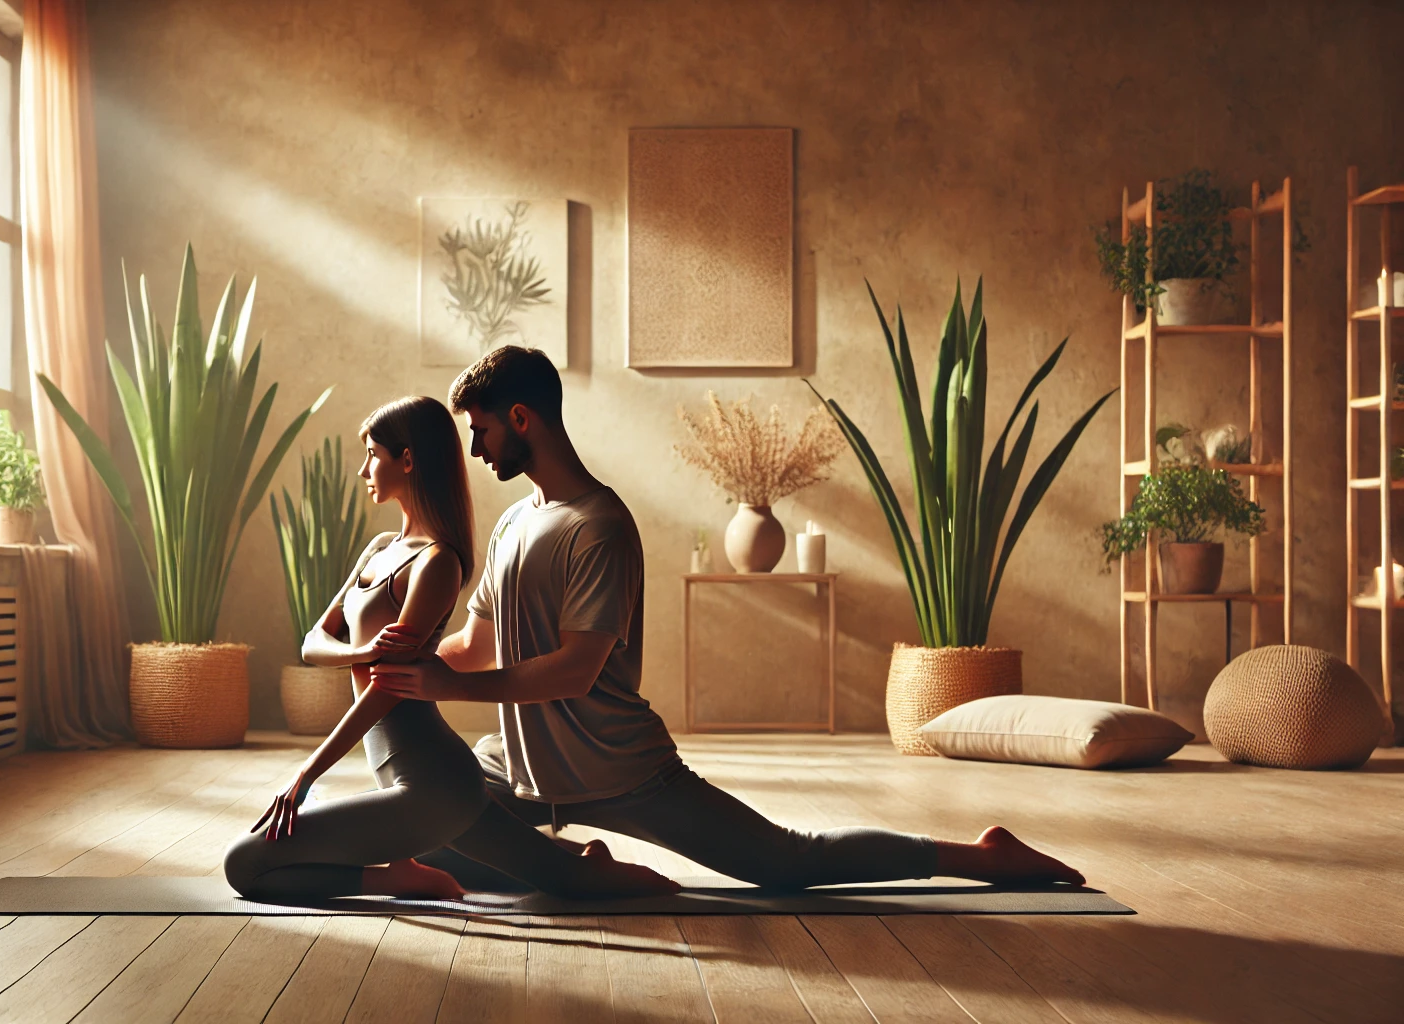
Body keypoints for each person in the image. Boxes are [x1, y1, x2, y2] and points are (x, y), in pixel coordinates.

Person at [371, 347, 1086, 891]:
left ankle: (980, 854)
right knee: (424, 842)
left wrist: (444, 688)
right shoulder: (510, 527)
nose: (473, 449)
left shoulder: (600, 527)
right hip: (523, 769)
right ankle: (579, 864)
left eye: (483, 430)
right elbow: (473, 644)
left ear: (522, 419)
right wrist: (396, 659)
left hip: (621, 771)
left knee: (787, 865)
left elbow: (574, 669)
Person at [223, 395, 681, 902]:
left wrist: (306, 774)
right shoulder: (379, 549)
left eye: (373, 454)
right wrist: (363, 651)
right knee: (561, 878)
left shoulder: (437, 562)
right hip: (418, 783)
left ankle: (400, 876)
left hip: (433, 786)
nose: (363, 469)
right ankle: (581, 861)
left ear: (408, 460)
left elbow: (387, 690)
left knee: (245, 864)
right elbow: (313, 642)